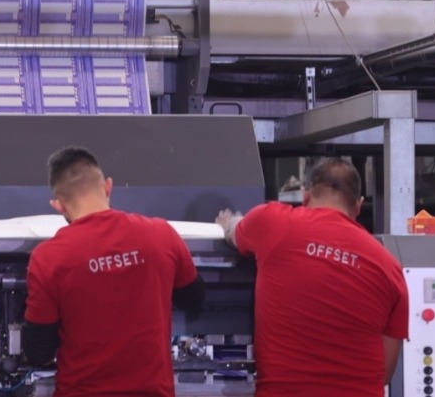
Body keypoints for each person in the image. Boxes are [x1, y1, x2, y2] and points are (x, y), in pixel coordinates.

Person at [216, 158, 409, 397]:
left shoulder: (273, 221)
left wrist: (228, 222)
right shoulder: (390, 267)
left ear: (305, 195)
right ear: (358, 205)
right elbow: (385, 373)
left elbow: (233, 231)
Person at [22, 146, 206, 396]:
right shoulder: (161, 234)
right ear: (108, 186)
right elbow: (193, 298)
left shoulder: (48, 257)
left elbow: (38, 351)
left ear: (59, 206)